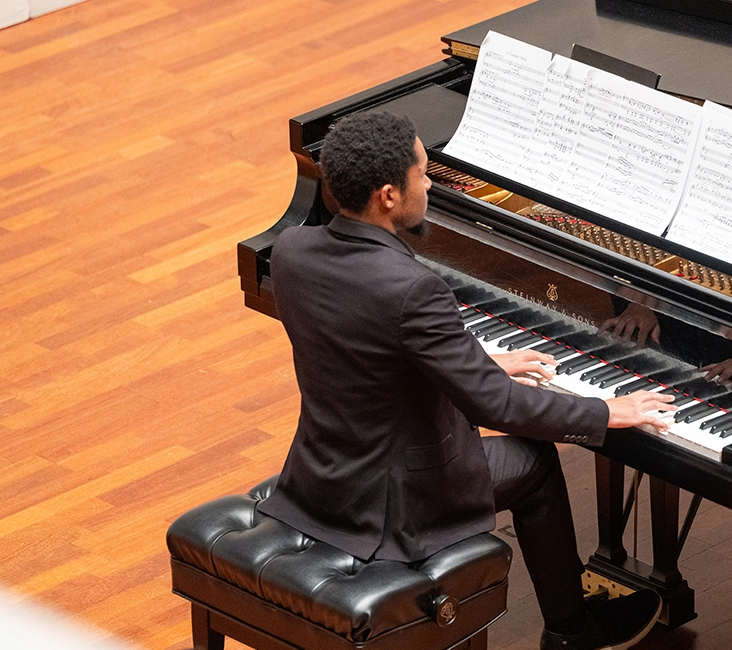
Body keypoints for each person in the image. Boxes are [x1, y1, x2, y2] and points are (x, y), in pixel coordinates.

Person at [257, 110, 676, 650]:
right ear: (388, 196)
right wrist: (607, 412)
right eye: (423, 174)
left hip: (319, 478)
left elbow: (362, 349)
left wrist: (471, 362)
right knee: (536, 462)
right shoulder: (414, 288)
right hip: (393, 505)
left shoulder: (293, 251)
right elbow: (496, 408)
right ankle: (572, 632)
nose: (430, 183)